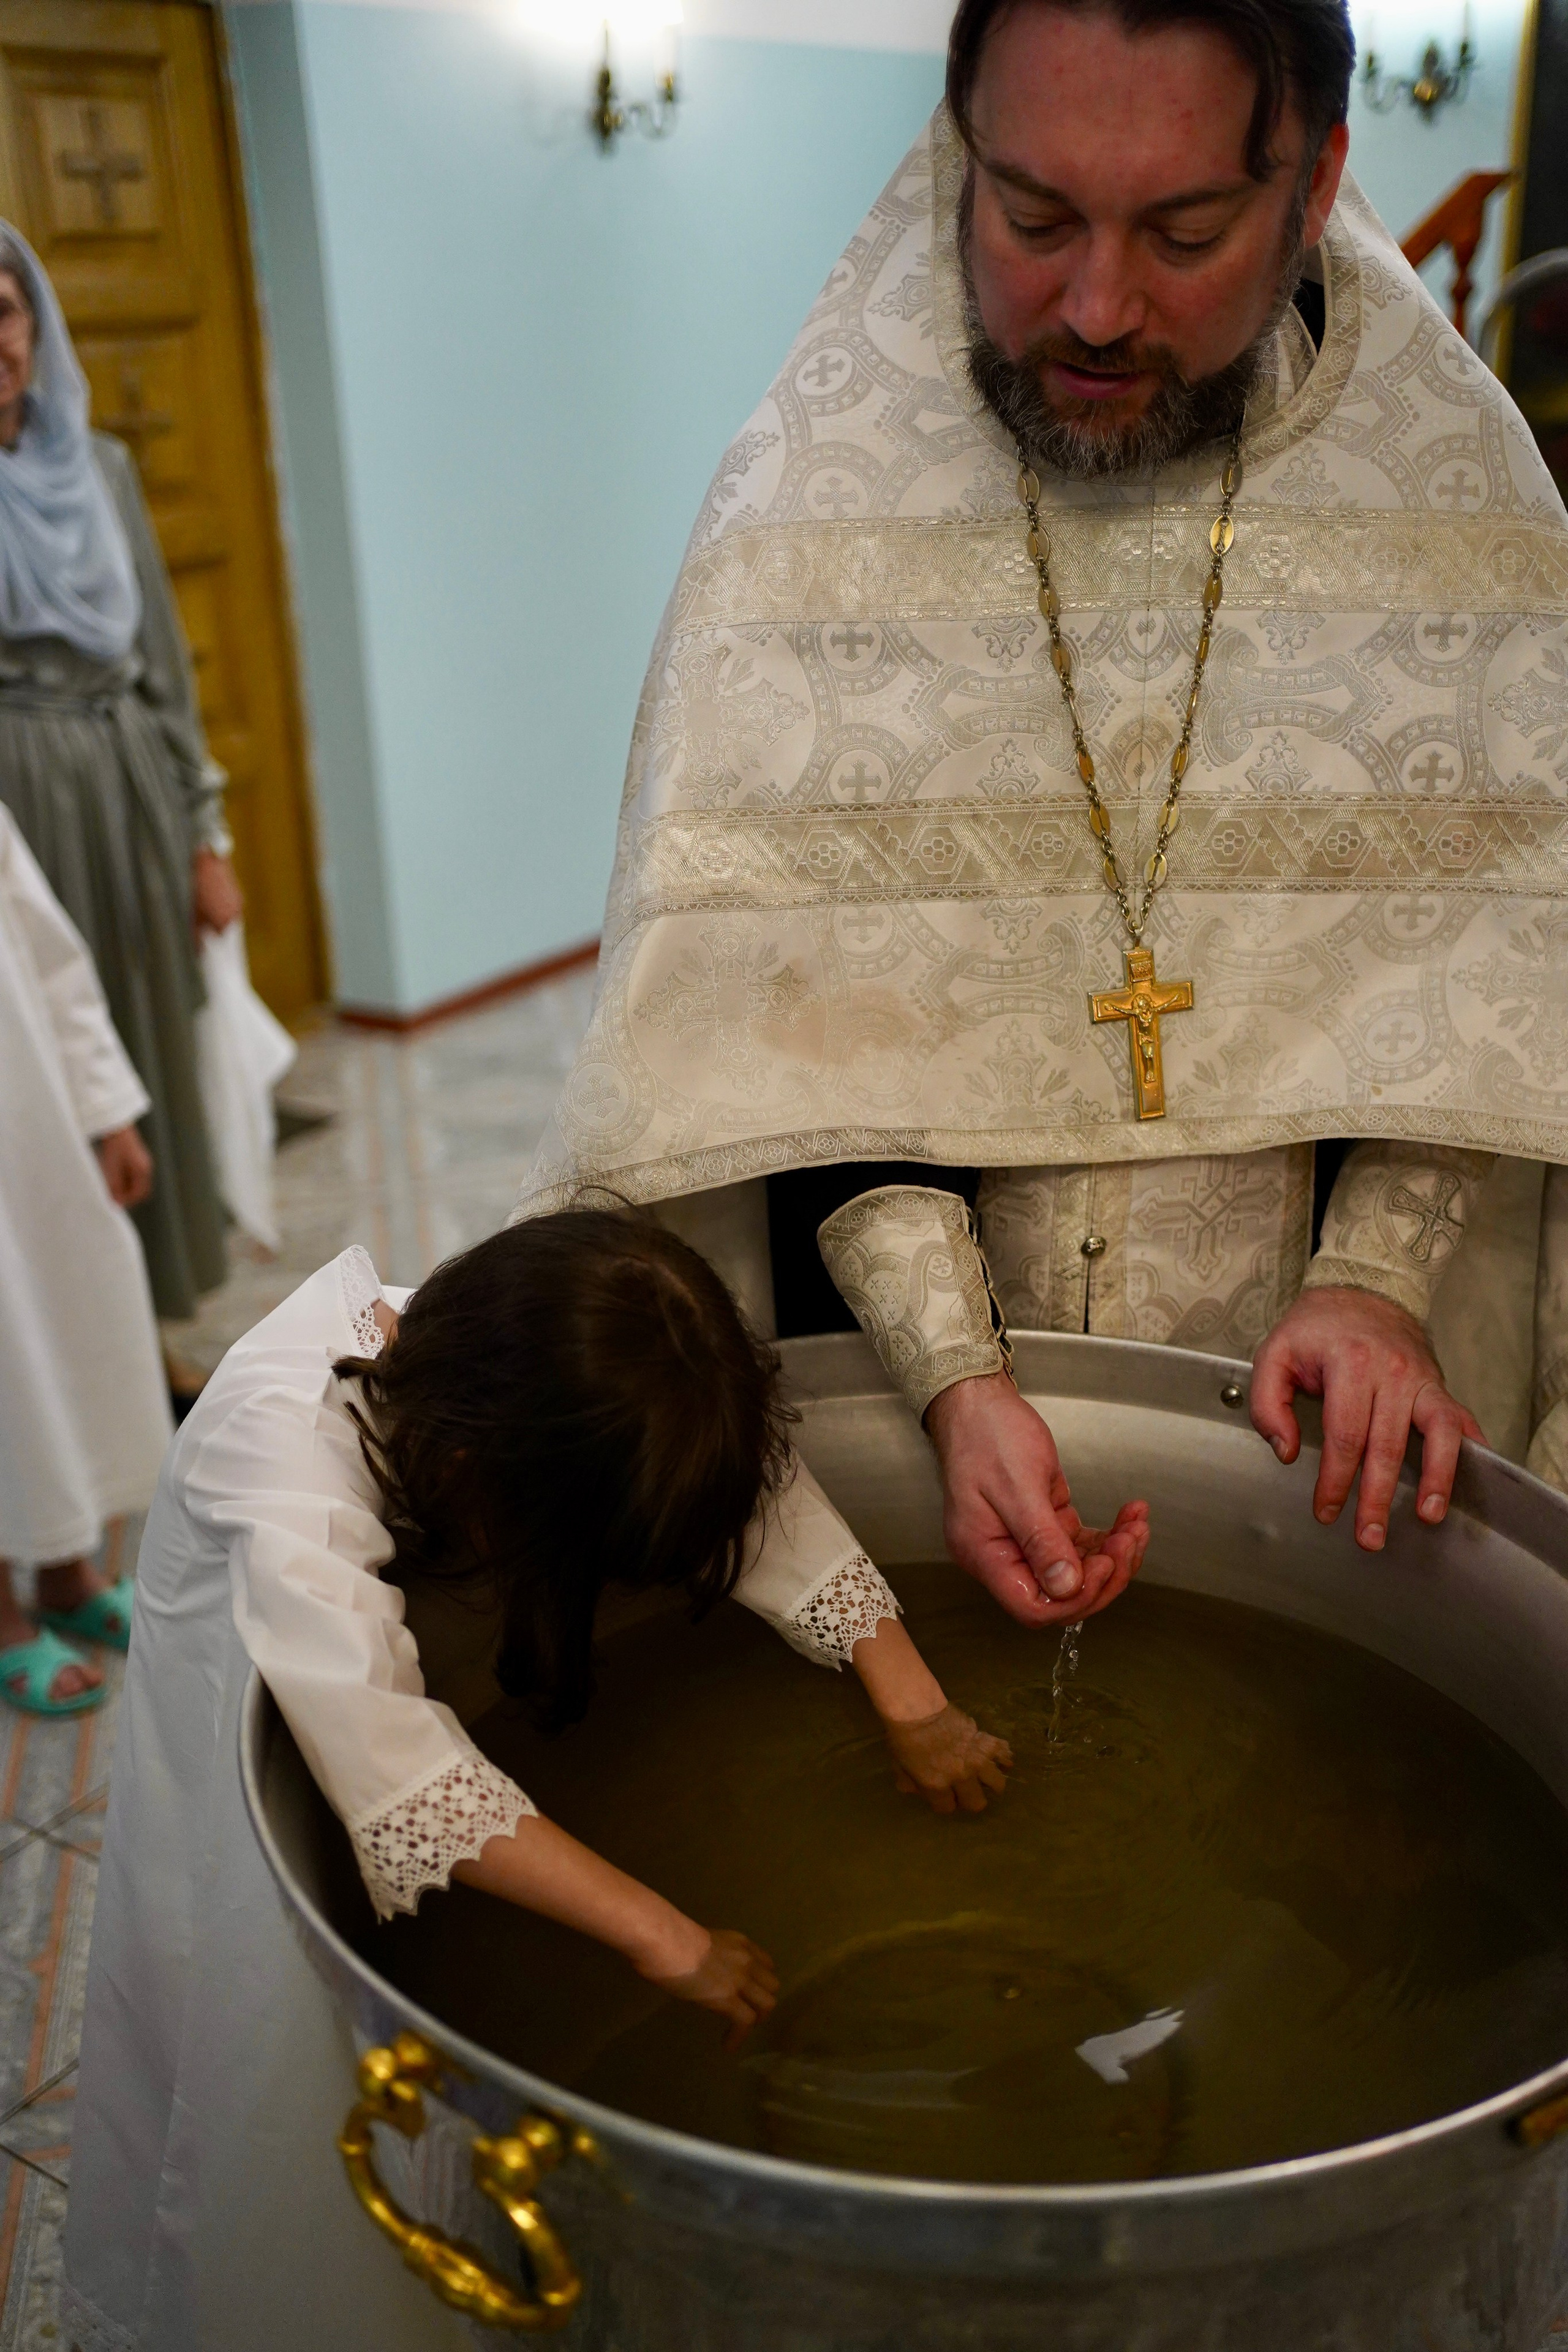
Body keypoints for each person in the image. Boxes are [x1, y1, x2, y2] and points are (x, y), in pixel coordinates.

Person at [518, 0, 1568, 1613]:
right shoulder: (809, 514)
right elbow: (782, 1025)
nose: (1093, 306)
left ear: (1315, 184)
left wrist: (1377, 1279)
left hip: (1342, 1412)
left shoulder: (1465, 517)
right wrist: (949, 1368)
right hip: (916, 1393)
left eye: (1186, 230)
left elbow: (1506, 963)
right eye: (1032, 217)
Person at [64, 1210, 1041, 2352]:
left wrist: (910, 1696)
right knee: (276, 2085)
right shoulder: (281, 1466)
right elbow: (398, 1764)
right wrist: (663, 1934)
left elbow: (746, 1474)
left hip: (372, 1642)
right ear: (483, 1483)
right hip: (250, 1721)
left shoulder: (520, 1341)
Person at [0, 221, 239, 1329]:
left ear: (37, 324)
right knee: (51, 1077)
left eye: (5, 312)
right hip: (19, 812)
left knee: (144, 1044)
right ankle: (83, 1343)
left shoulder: (101, 467)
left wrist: (203, 834)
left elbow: (163, 666)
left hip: (130, 790)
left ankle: (155, 1322)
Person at [0, 801, 170, 1711]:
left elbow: (51, 958)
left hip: (25, 1125)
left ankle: (67, 1573)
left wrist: (107, 1109)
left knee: (52, 1339)